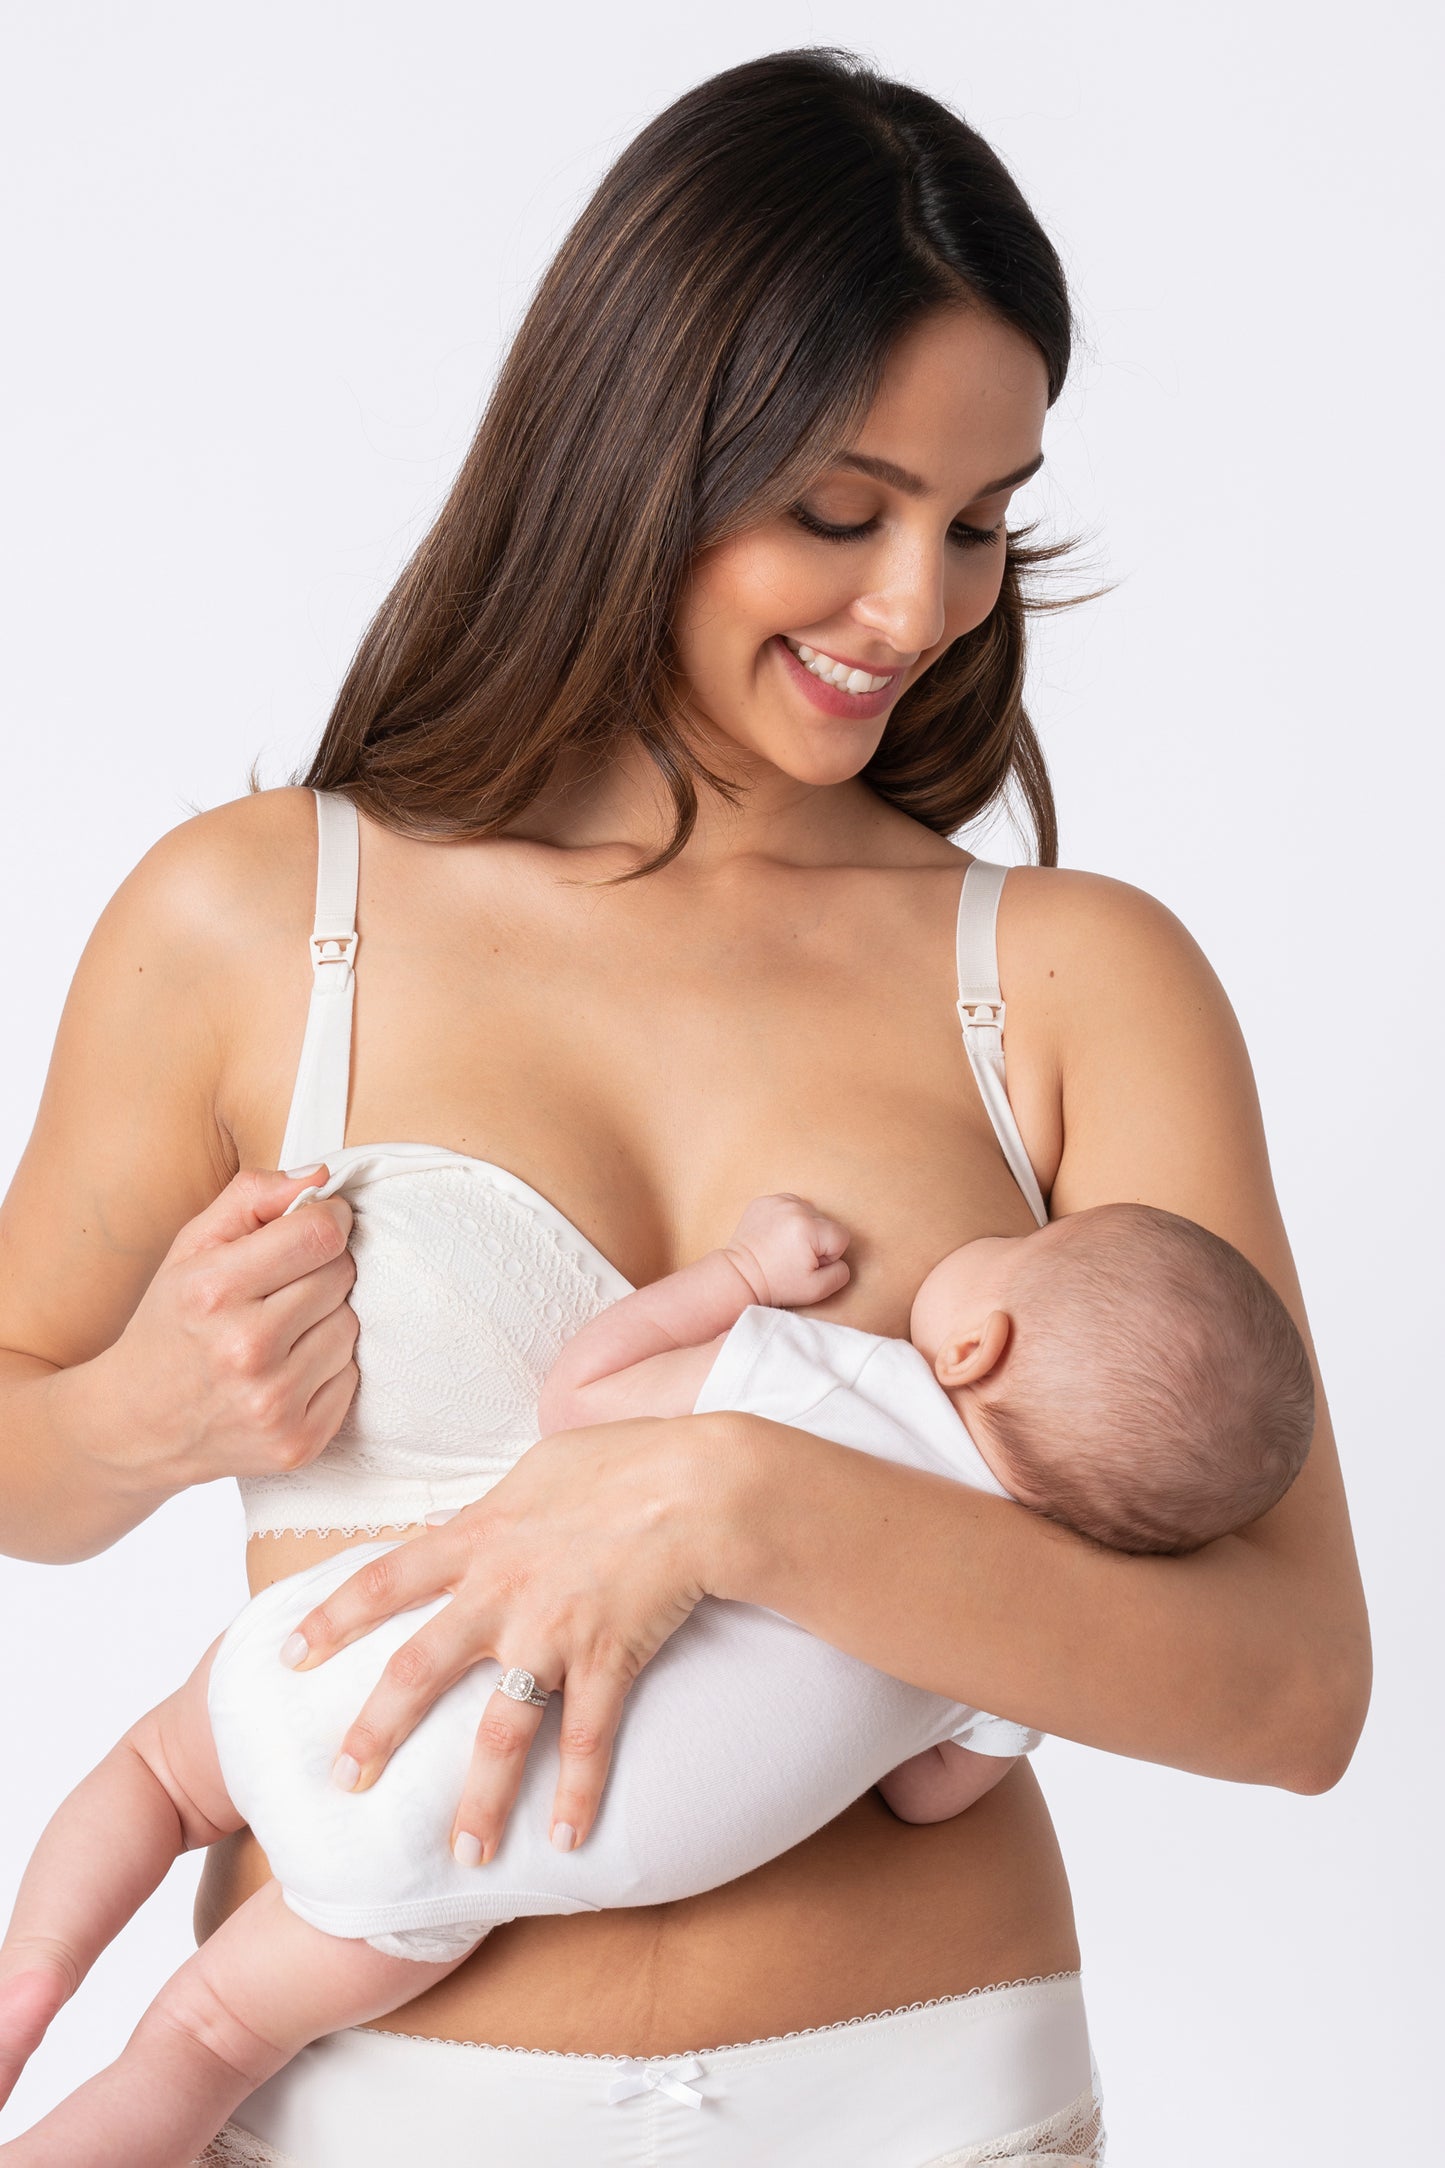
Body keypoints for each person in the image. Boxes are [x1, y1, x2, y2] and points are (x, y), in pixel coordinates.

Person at [0, 46, 1369, 2168]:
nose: (917, 609)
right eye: (841, 510)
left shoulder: (1074, 979)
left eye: (978, 524)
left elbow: (1289, 1693)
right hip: (357, 2117)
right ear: (638, 451)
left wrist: (737, 1499)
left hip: (939, 2118)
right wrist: (136, 1420)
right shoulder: (262, 918)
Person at [0, 1113, 1319, 2163]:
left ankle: (29, 1977)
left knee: (155, 1775)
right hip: (438, 1867)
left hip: (351, 1658)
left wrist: (742, 1282)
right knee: (202, 2042)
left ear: (975, 1344)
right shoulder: (1014, 1631)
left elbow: (583, 1400)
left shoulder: (841, 1377)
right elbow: (925, 1798)